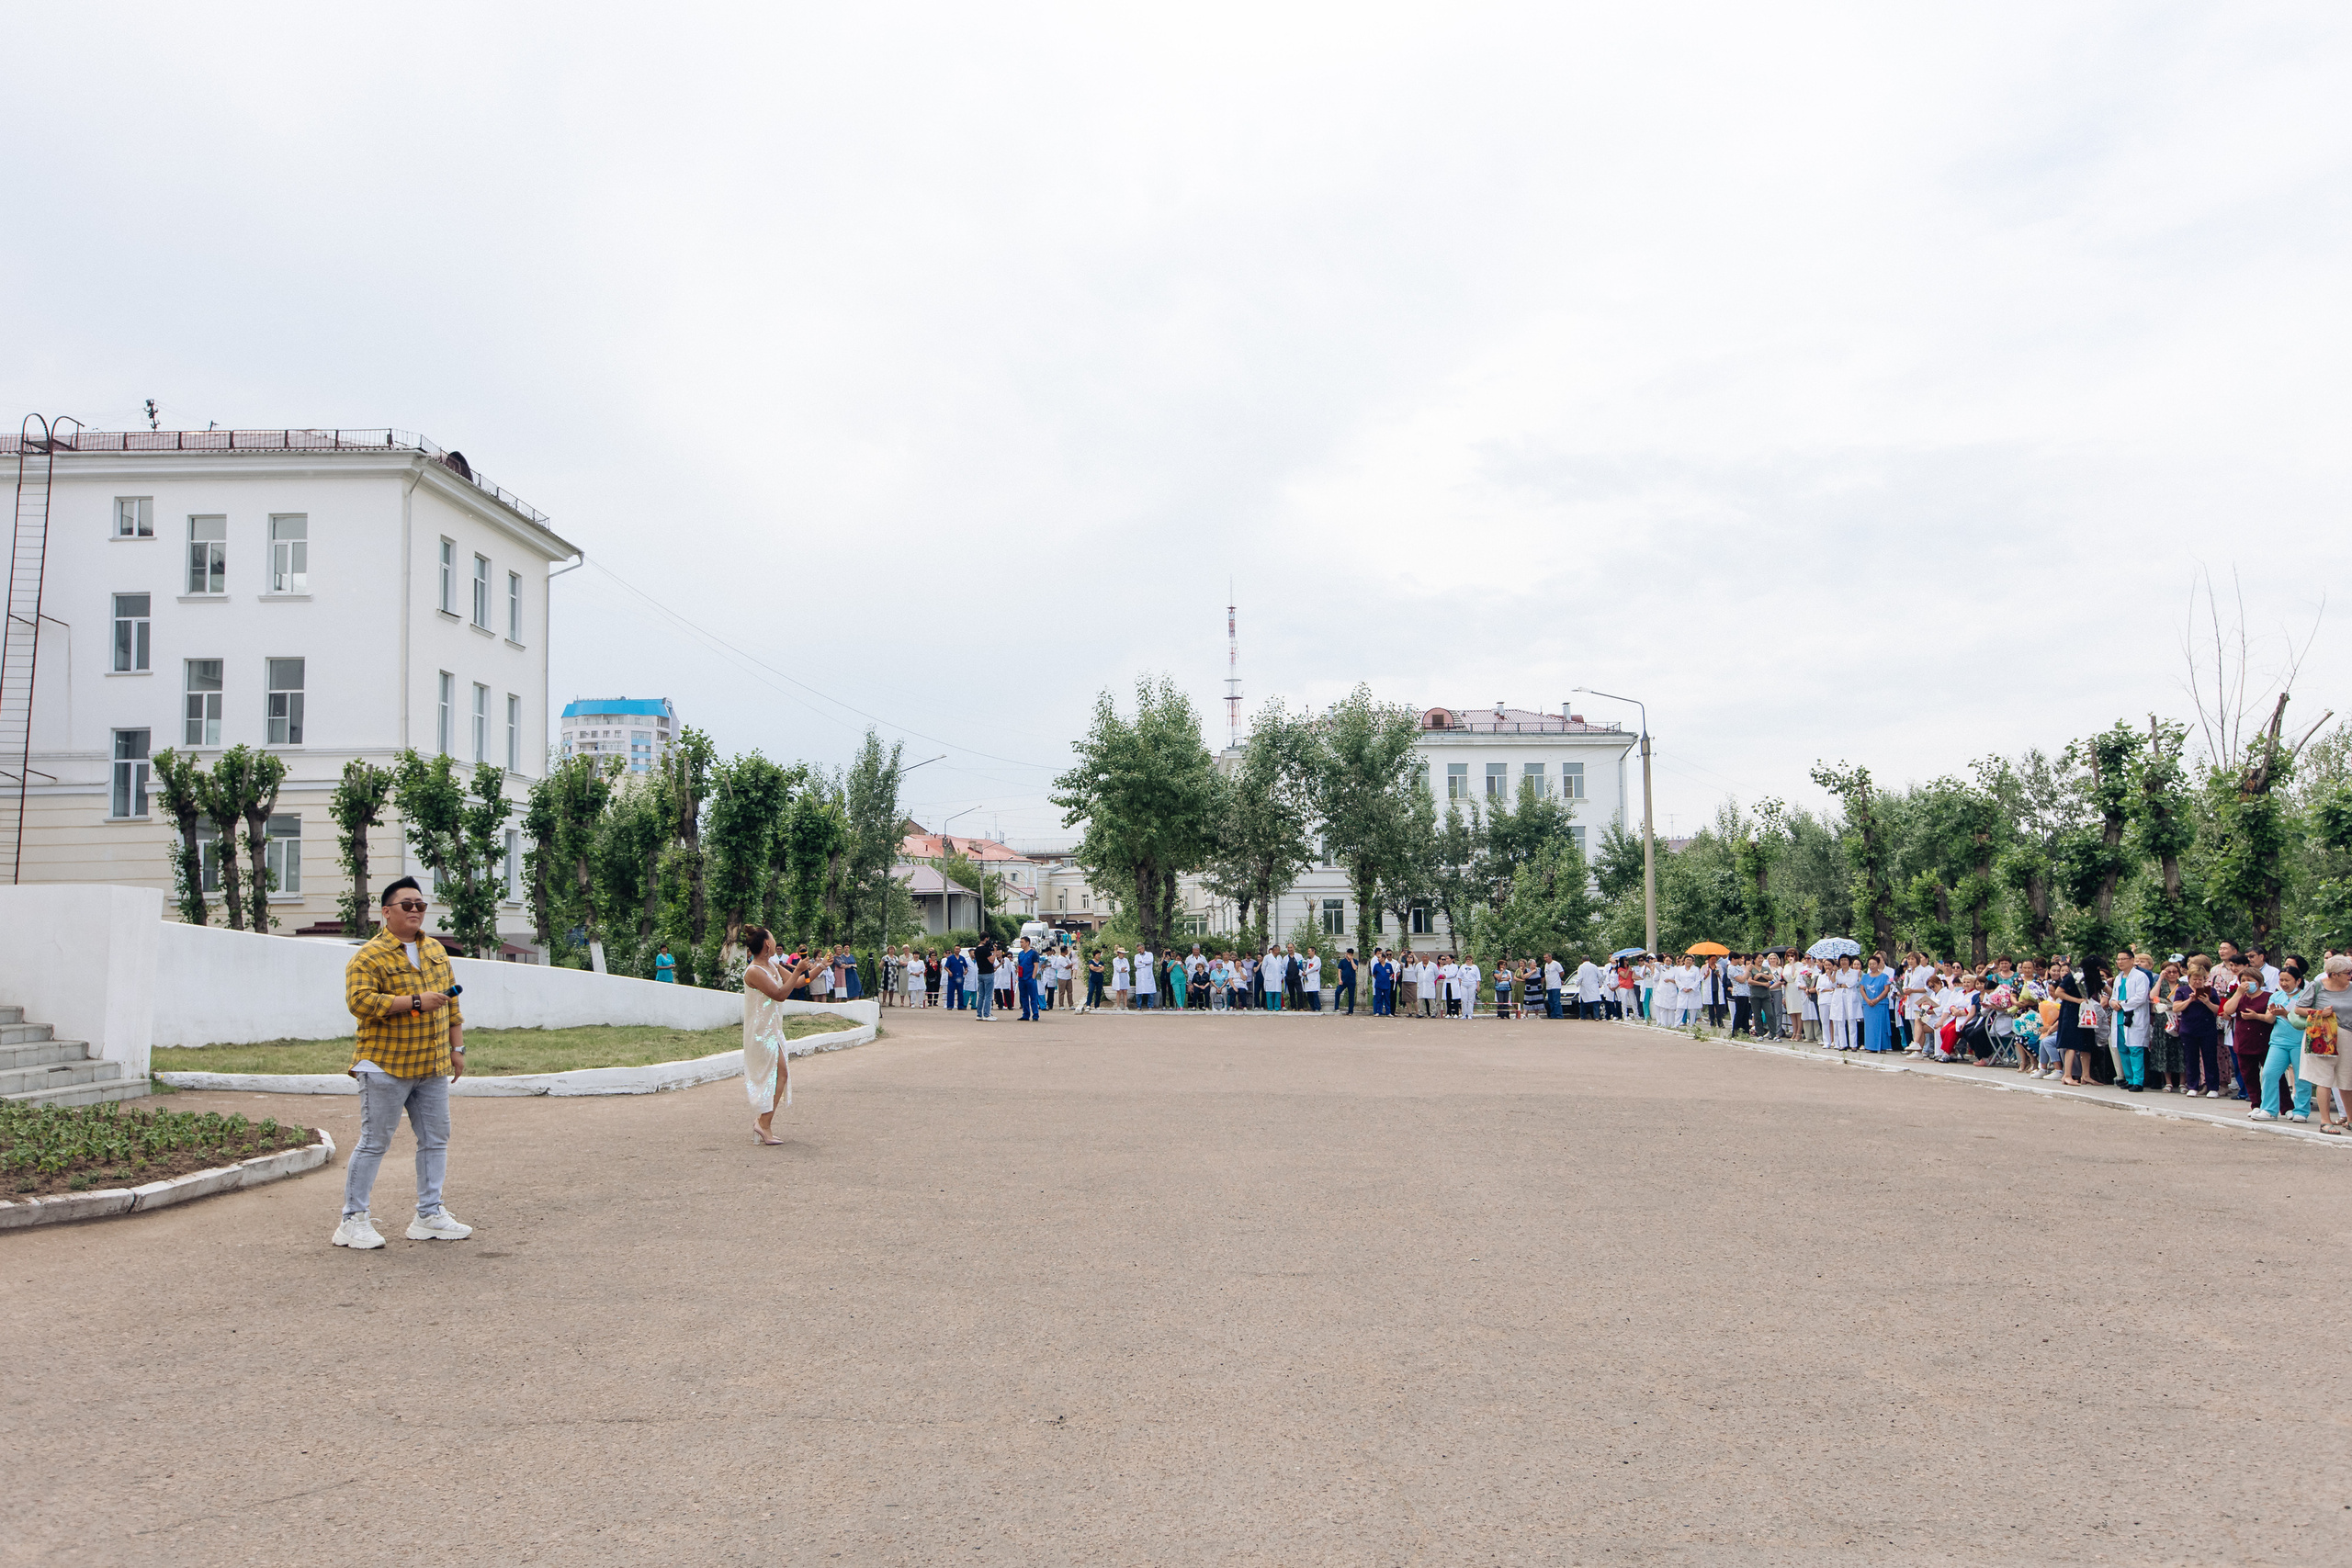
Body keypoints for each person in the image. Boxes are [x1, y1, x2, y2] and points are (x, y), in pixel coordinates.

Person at [334, 879, 473, 1249]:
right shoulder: (368, 955)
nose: (415, 911)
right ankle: (352, 1219)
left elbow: (452, 1004)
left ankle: (429, 1214)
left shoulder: (437, 951)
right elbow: (360, 1003)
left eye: (420, 905)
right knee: (375, 1141)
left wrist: (457, 1049)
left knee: (435, 1139)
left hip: (431, 1064)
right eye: (406, 905)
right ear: (386, 912)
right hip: (385, 1065)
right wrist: (413, 1002)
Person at [740, 929, 832, 1145]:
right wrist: (799, 968)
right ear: (767, 946)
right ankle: (763, 1123)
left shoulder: (771, 965)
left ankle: (763, 1122)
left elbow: (799, 982)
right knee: (778, 1075)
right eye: (772, 938)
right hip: (761, 1034)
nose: (774, 941)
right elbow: (780, 994)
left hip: (772, 1030)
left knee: (781, 1075)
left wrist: (820, 967)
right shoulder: (754, 971)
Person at [2292, 955, 2352, 1133]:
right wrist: (2319, 1012)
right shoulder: (2317, 986)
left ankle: (2350, 1118)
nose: (2350, 975)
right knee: (2323, 1078)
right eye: (2347, 973)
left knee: (2347, 1079)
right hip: (2323, 1036)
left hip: (2347, 1035)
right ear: (2334, 974)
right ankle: (2325, 1121)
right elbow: (2298, 1009)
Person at [2256, 958, 2313, 1122]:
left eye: (2287, 980)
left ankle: (2301, 1110)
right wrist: (2272, 1014)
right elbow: (2269, 1019)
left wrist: (2286, 1014)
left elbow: (2304, 1019)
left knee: (2302, 1077)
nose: (2283, 983)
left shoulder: (2306, 996)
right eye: (2281, 980)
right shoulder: (2276, 996)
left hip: (2299, 1041)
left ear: (2298, 980)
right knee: (2268, 1073)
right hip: (2278, 1042)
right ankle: (2269, 1109)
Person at [2174, 956, 2222, 1097]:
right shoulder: (2182, 991)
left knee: (2210, 1058)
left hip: (2207, 1028)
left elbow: (2219, 1010)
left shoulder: (2210, 991)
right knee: (2191, 1058)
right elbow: (2176, 1007)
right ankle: (2192, 1085)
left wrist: (2207, 1002)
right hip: (2188, 1029)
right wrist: (2190, 1000)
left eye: (2201, 979)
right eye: (2195, 979)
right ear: (2189, 978)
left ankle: (2213, 1087)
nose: (2198, 982)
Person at [1016, 937, 1042, 1021]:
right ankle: (1026, 1014)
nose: (1021, 944)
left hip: (1030, 978)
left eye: (1022, 942)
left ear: (1027, 943)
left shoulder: (1033, 953)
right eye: (1020, 942)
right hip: (1022, 978)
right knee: (1023, 997)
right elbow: (1020, 965)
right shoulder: (1020, 954)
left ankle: (1035, 1014)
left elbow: (1036, 965)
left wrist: (1033, 976)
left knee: (1033, 997)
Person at [1084, 947, 1106, 1011]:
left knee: (1099, 992)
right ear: (1095, 955)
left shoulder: (1101, 962)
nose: (1099, 956)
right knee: (1091, 991)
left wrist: (1096, 969)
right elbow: (1092, 968)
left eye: (1099, 955)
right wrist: (1097, 968)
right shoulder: (1091, 961)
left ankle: (1097, 1005)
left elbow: (1102, 969)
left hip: (1099, 978)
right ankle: (1088, 1004)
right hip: (1092, 978)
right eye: (1098, 955)